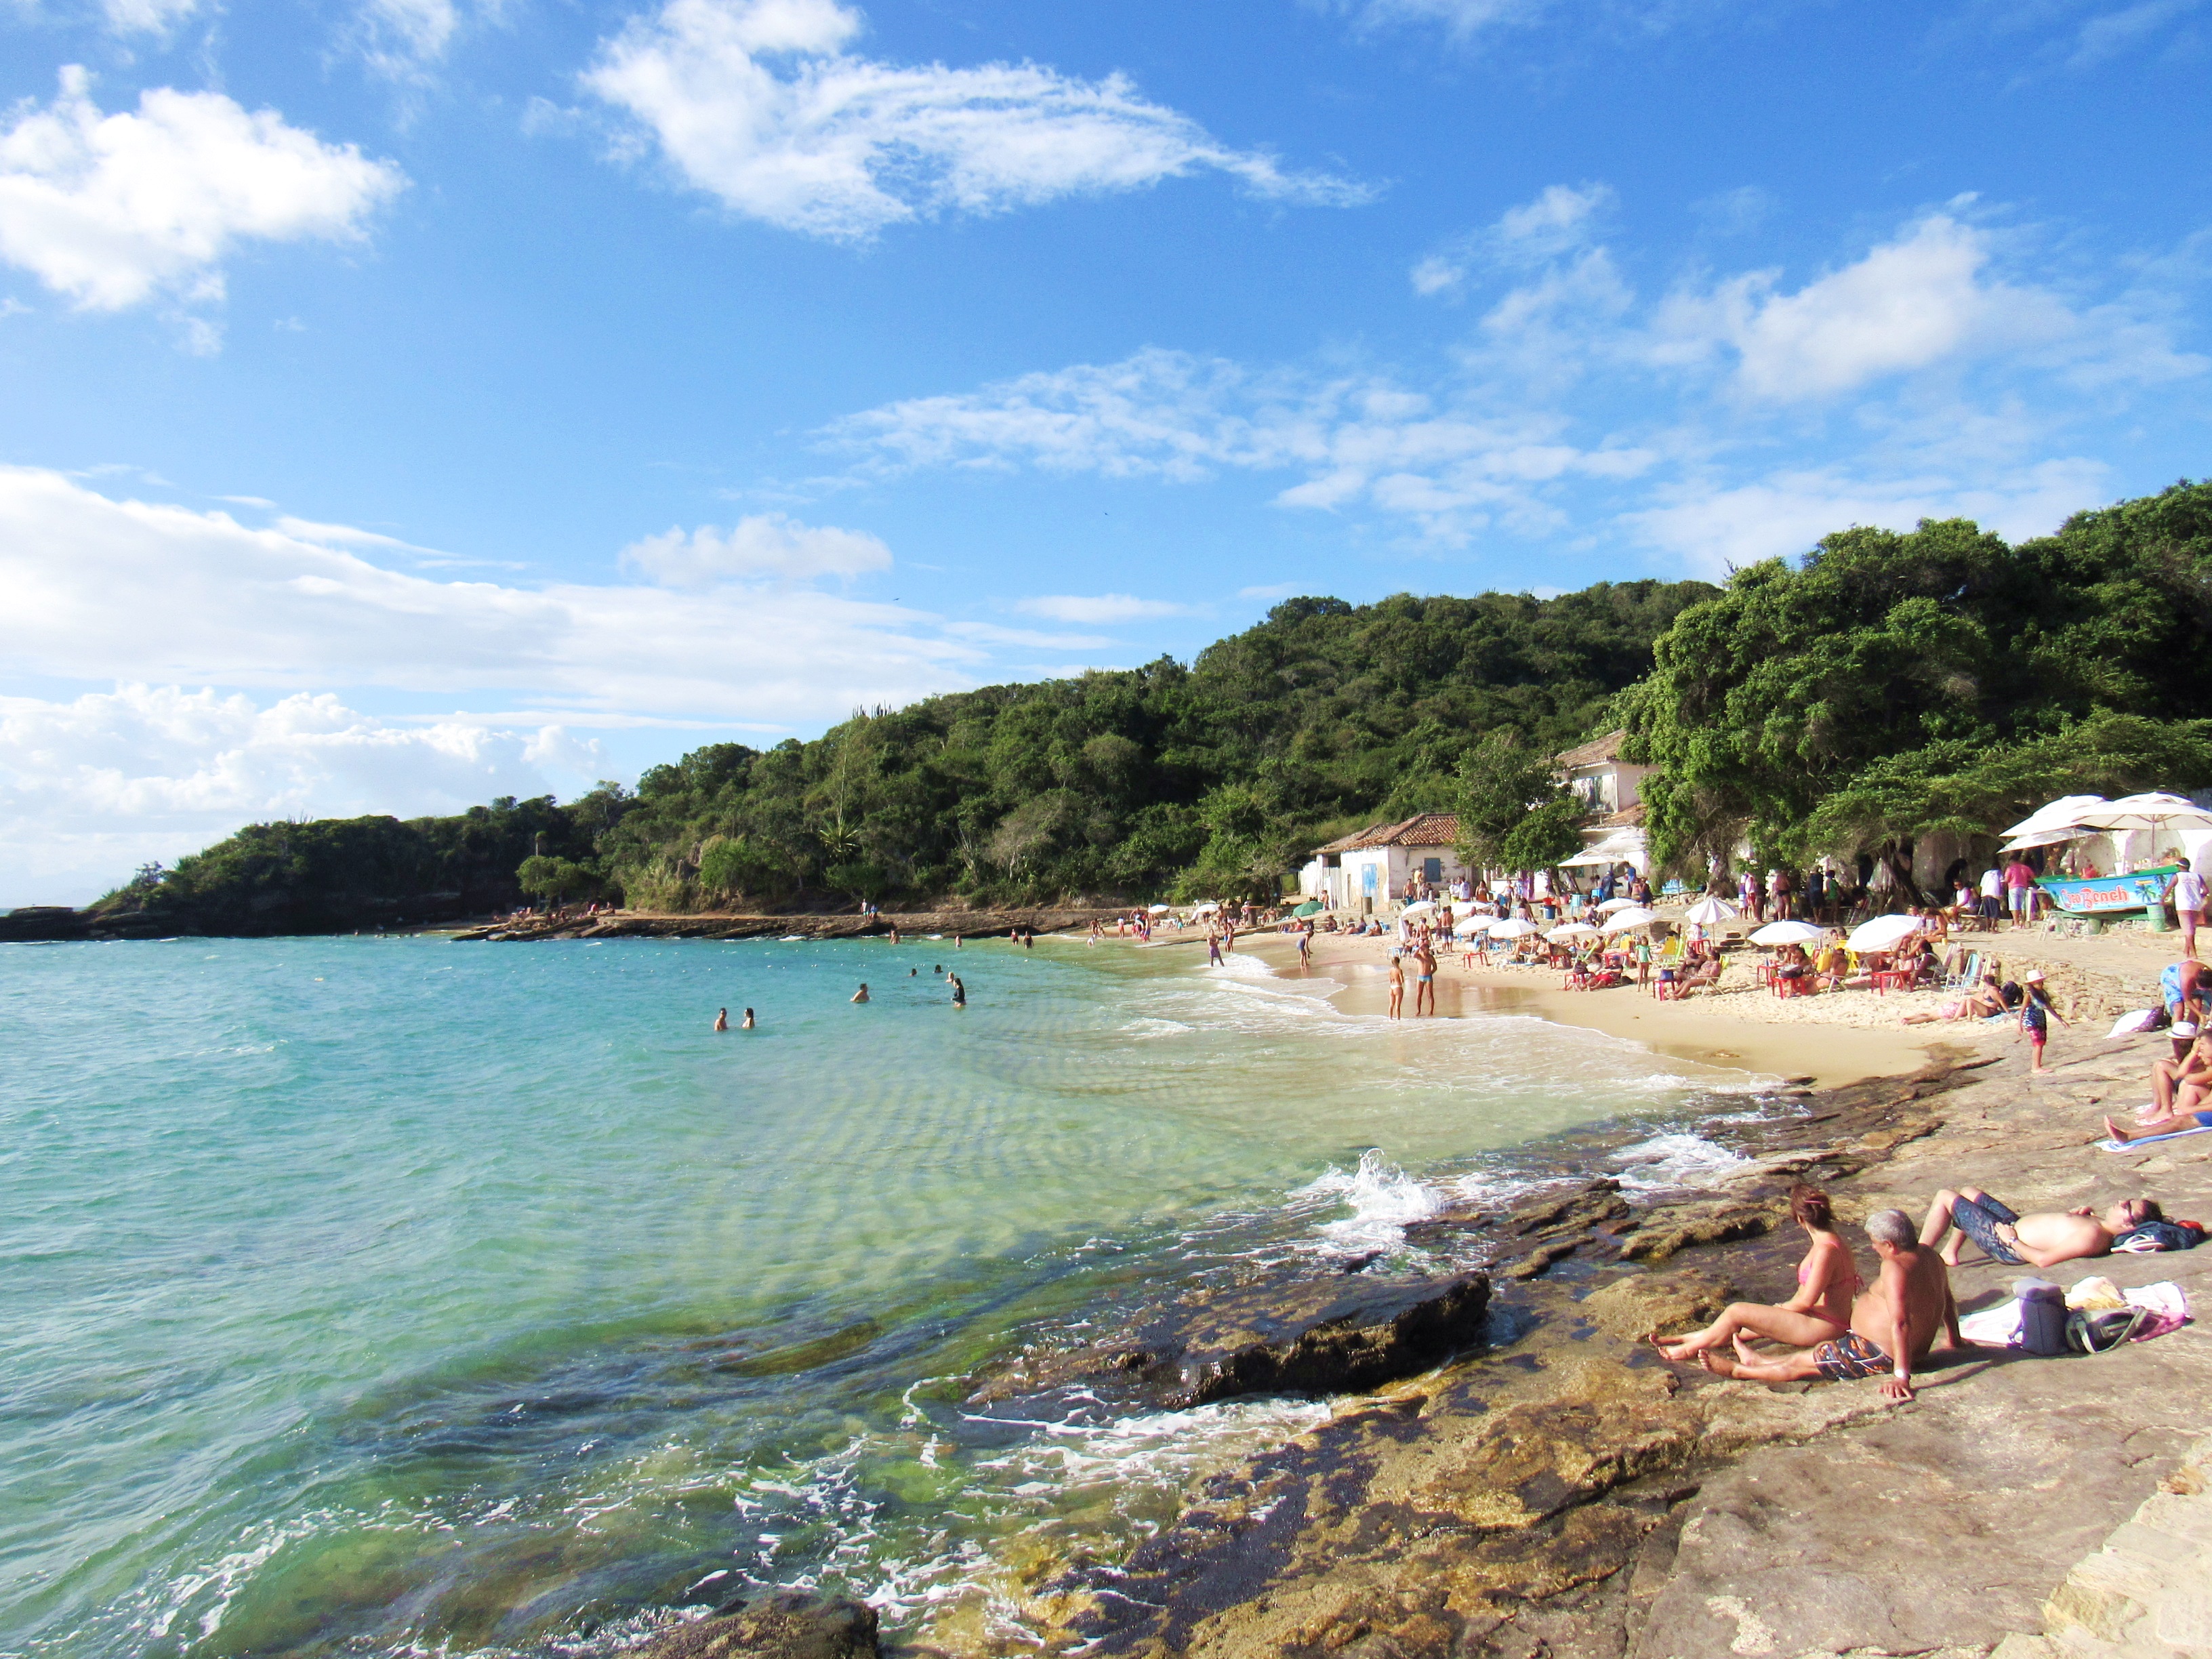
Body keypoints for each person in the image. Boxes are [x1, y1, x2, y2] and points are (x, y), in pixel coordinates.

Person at [1695, 1208, 1965, 1403]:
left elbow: (1901, 1321)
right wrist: (1954, 1340)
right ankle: (1758, 1360)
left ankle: (1739, 1371)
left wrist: (1901, 1376)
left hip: (1878, 1353)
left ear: (1890, 1245)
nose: (1872, 1249)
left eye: (1874, 1244)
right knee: (1809, 1356)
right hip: (1882, 1347)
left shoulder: (1895, 1267)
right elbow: (1946, 1298)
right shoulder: (1930, 1255)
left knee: (1798, 1365)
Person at [1651, 1184, 1860, 1361]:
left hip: (1823, 1327)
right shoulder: (1832, 1241)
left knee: (1736, 1312)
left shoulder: (1827, 1250)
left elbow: (1806, 1301)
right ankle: (1692, 1337)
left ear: (1799, 1218)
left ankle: (1688, 1349)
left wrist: (1780, 1308)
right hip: (1819, 1320)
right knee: (1743, 1325)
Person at [1918, 1186, 2162, 1268]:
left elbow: (2044, 1260)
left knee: (1944, 1197)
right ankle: (1950, 1253)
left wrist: (2012, 1240)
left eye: (2127, 1206)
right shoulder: (2098, 1225)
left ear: (2128, 1225)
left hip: (2007, 1245)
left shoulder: (2094, 1235)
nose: (2121, 1202)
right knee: (1968, 1192)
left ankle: (1917, 1258)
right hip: (2013, 1226)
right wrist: (2083, 1215)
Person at [1902, 974, 2007, 1025]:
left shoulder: (1983, 994)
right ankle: (1908, 1022)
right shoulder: (1989, 993)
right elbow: (2001, 1003)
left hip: (1953, 1006)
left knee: (1929, 1015)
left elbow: (1970, 1002)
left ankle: (1907, 1018)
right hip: (1954, 1009)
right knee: (1930, 1017)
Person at [2019, 968, 2064, 1073]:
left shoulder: (2042, 994)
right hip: (2030, 1020)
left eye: (2041, 982)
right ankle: (2036, 1067)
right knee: (2038, 1042)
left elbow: (2049, 1008)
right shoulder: (2029, 995)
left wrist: (2061, 1020)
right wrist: (2019, 1024)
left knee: (2041, 1042)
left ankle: (2037, 1064)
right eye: (2037, 983)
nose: (2040, 984)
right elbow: (2023, 1009)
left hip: (2040, 1019)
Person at [2169, 859, 2208, 959]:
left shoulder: (2177, 876)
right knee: (2191, 928)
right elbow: (2206, 890)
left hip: (2183, 905)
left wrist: (2162, 900)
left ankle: (2193, 953)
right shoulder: (2197, 876)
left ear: (2180, 867)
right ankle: (2186, 950)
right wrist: (2198, 896)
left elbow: (2168, 889)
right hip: (2196, 905)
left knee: (2188, 929)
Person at [2003, 855, 2038, 927]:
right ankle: (2023, 923)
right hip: (2023, 888)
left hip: (2013, 888)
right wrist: (2026, 880)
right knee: (2023, 906)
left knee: (2014, 906)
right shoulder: (2025, 868)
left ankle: (2016, 923)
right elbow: (2034, 877)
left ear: (2011, 862)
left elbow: (2006, 880)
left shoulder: (2010, 868)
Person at [1412, 939, 1437, 1017]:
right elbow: (1413, 955)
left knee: (1430, 994)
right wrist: (1419, 947)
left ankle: (1431, 1011)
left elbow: (1435, 967)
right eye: (1424, 949)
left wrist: (1431, 973)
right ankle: (1418, 1011)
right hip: (1420, 977)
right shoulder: (1419, 956)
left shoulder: (1430, 957)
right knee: (1419, 994)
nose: (1425, 950)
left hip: (1428, 977)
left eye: (1426, 949)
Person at [1387, 953, 1405, 1020]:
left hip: (1392, 987)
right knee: (1397, 1006)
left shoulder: (1391, 970)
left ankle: (1390, 1018)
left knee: (1391, 1005)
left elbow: (1390, 979)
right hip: (1398, 987)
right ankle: (1398, 1019)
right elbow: (1402, 980)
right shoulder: (1399, 970)